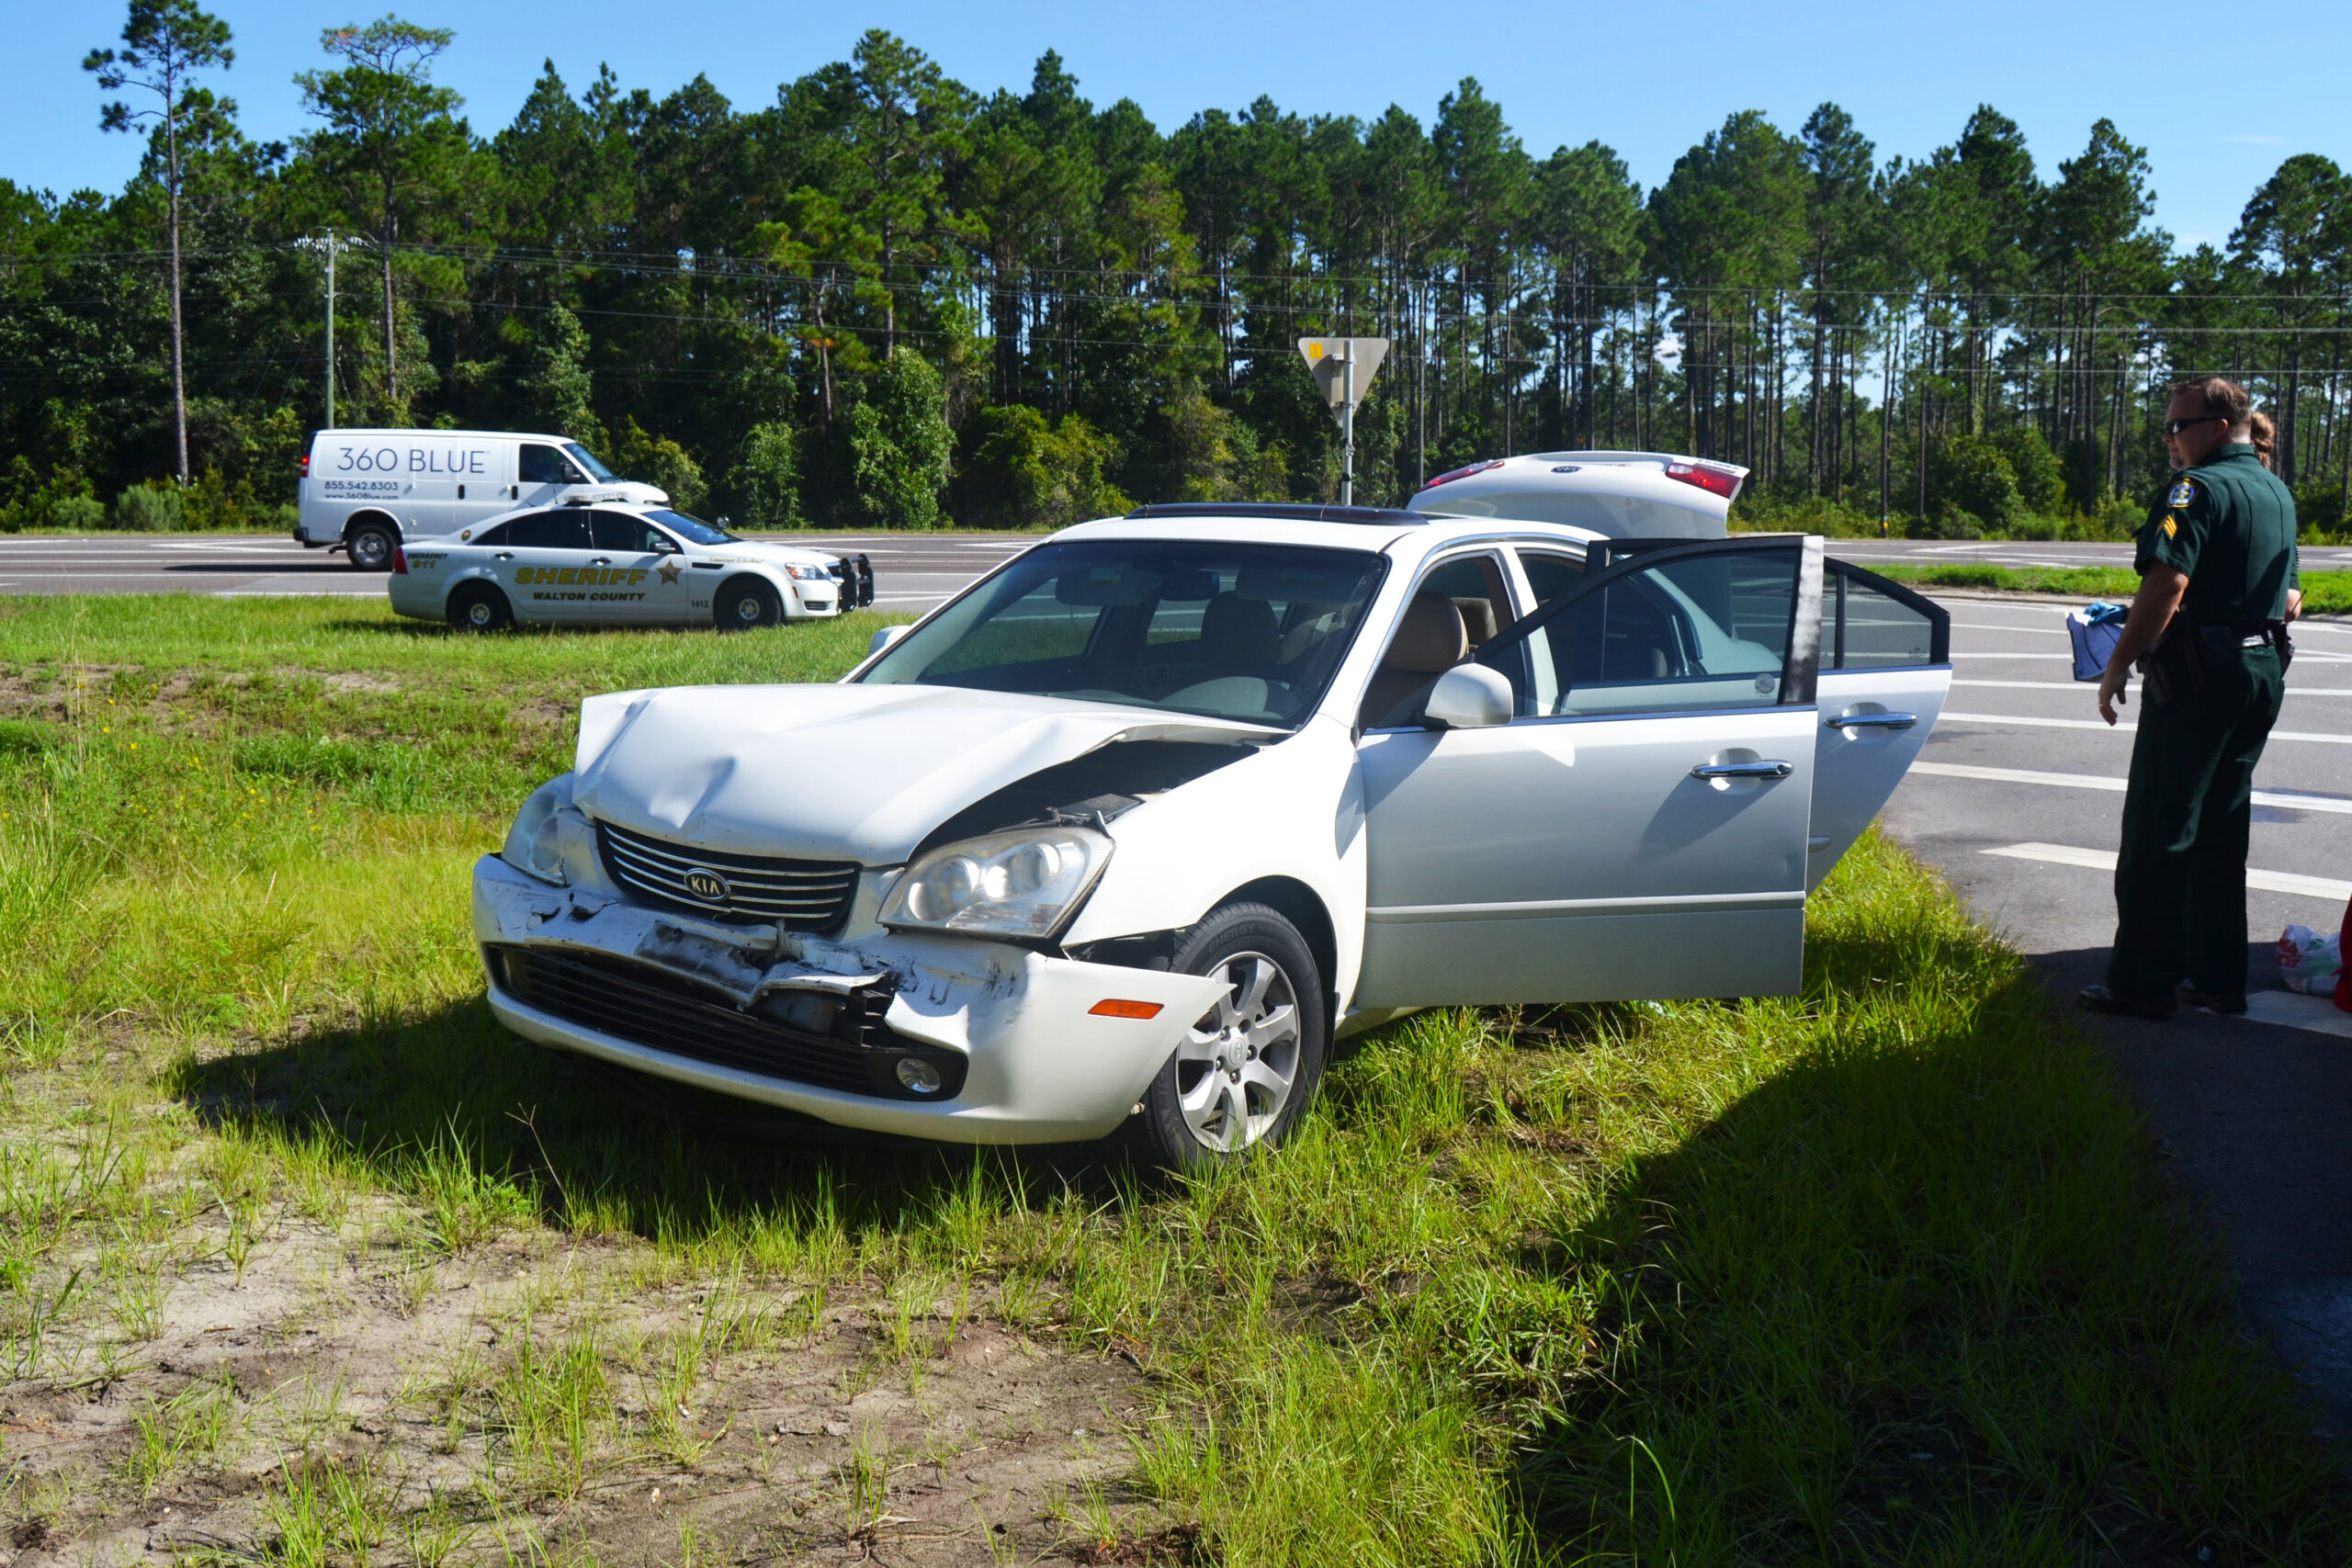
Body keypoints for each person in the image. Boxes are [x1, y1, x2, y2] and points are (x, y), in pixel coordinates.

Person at [2081, 377, 2301, 1019]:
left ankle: (2141, 984)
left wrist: (2118, 661)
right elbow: (2291, 596)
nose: (2168, 439)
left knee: (2160, 830)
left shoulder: (2196, 489)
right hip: (2260, 670)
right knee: (2221, 829)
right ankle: (2216, 978)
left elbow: (2167, 583)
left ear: (2216, 426)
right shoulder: (2274, 490)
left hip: (2199, 677)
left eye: (2176, 426)